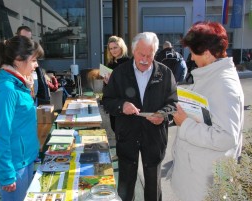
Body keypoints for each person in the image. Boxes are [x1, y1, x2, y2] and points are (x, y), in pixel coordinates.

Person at [169, 21, 244, 201]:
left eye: (194, 53)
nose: (192, 58)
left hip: (204, 182)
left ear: (208, 54)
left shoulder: (223, 85)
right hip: (197, 174)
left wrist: (184, 123)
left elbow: (226, 137)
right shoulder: (211, 76)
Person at [102, 32, 178, 201]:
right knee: (126, 183)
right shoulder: (120, 72)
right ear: (133, 50)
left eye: (149, 55)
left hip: (154, 135)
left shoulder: (165, 73)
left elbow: (173, 103)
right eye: (140, 54)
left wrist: (163, 115)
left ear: (155, 53)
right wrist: (122, 106)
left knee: (153, 183)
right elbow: (107, 100)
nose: (144, 59)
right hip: (127, 134)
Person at [0, 35, 44, 201]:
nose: (36, 65)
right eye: (33, 60)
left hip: (24, 159)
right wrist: (6, 173)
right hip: (14, 163)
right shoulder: (7, 89)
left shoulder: (20, 84)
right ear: (19, 59)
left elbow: (21, 124)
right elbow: (1, 133)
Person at [17, 25, 50, 105]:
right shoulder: (9, 86)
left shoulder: (31, 52)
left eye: (29, 39)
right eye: (24, 38)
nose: (27, 42)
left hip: (31, 86)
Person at [104, 35, 129, 132]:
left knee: (124, 131)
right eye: (110, 49)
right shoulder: (110, 64)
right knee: (114, 128)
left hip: (124, 101)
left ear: (121, 47)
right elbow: (107, 87)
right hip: (113, 102)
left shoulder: (129, 62)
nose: (113, 51)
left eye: (115, 47)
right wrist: (106, 82)